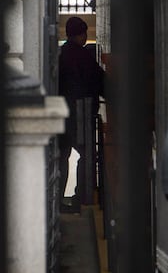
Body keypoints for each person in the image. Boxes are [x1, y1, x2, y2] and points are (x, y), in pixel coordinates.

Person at [58, 16, 105, 213]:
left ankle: (59, 199)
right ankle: (82, 197)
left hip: (62, 114)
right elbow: (98, 80)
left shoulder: (61, 54)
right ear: (80, 34)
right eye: (84, 33)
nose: (86, 37)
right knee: (85, 155)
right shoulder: (83, 56)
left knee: (62, 156)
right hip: (80, 114)